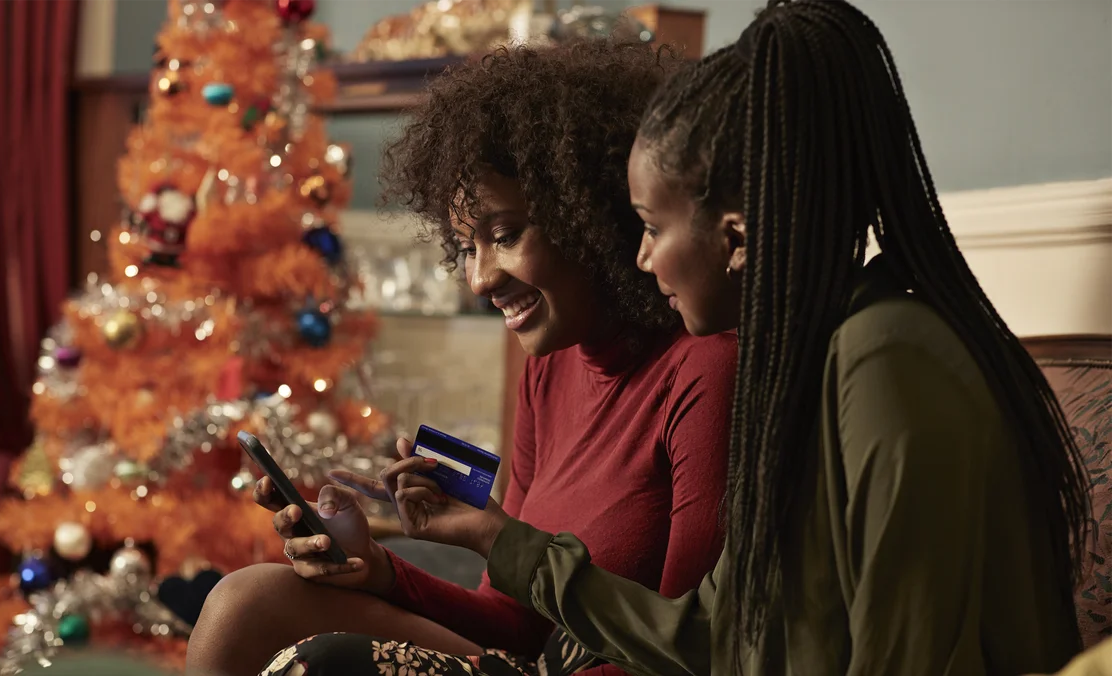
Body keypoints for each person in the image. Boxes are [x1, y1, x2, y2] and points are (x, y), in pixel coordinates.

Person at [333, 1, 1093, 675]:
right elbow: (711, 637)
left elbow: (906, 653)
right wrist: (499, 541)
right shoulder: (810, 360)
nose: (638, 256)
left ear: (734, 237)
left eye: (652, 228)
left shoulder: (885, 355)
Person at [185, 39, 740, 676]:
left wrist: (494, 536)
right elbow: (516, 626)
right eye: (465, 248)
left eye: (503, 236)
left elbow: (686, 654)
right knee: (243, 602)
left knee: (328, 664)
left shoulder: (705, 369)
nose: (478, 280)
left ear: (592, 213)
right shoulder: (547, 369)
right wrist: (377, 571)